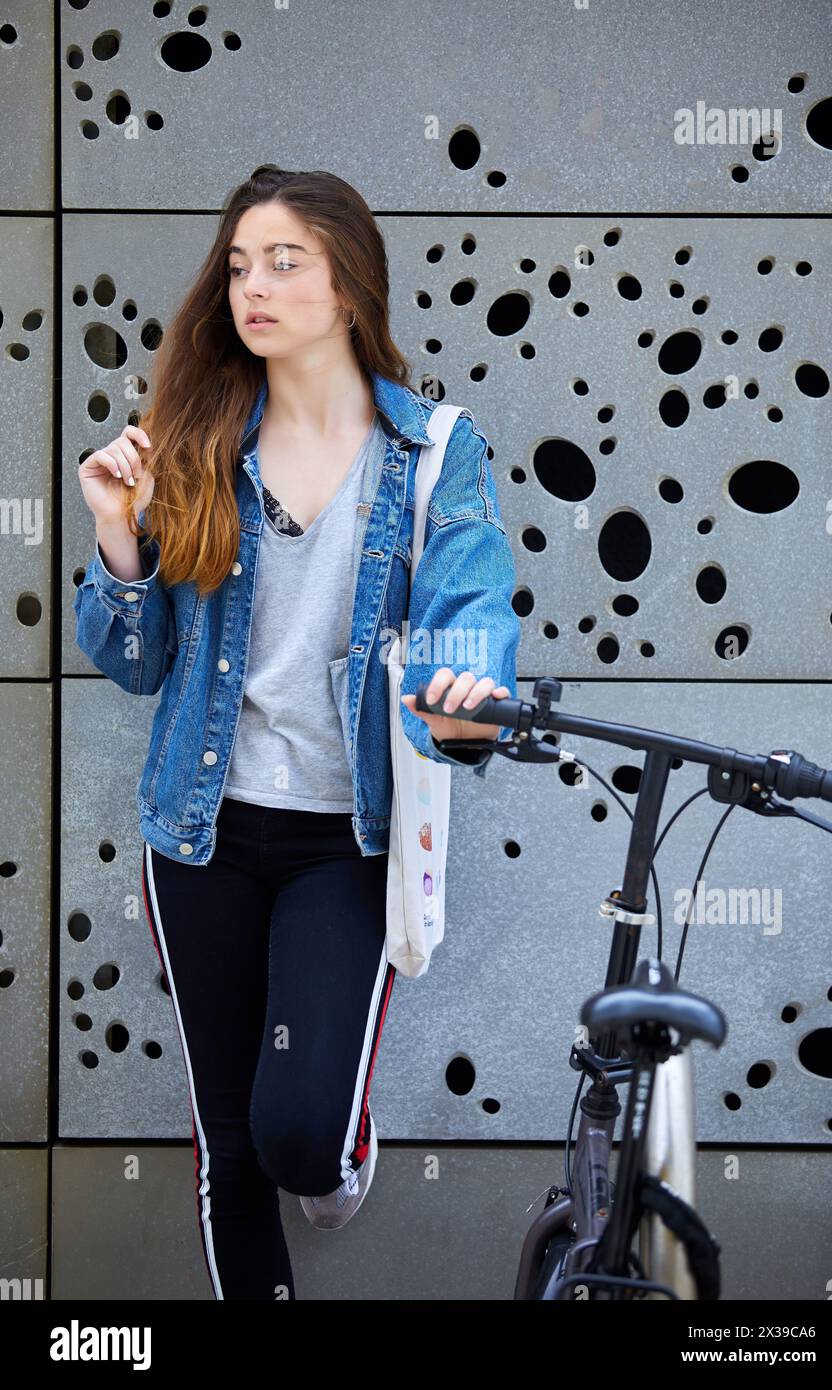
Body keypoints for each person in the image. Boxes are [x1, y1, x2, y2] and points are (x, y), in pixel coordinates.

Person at [74, 165, 521, 1301]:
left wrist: (462, 694)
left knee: (297, 1135)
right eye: (237, 266)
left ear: (350, 286)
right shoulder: (195, 441)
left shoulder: (432, 453)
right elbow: (137, 663)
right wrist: (118, 539)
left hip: (343, 841)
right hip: (200, 833)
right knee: (229, 1144)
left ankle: (339, 1148)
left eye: (284, 263)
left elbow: (471, 614)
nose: (251, 288)